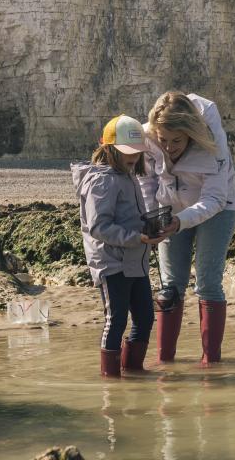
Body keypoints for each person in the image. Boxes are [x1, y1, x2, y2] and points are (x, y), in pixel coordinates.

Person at [139, 92, 235, 365]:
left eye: (177, 141)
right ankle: (164, 361)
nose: (169, 148)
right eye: (163, 140)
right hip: (171, 207)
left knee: (207, 283)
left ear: (191, 135)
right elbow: (146, 181)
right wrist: (153, 217)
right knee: (170, 286)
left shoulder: (212, 140)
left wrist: (181, 222)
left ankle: (211, 363)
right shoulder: (147, 137)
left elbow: (215, 199)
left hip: (218, 208)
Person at [71, 115, 165, 377]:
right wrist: (137, 237)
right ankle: (110, 379)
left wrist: (149, 228)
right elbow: (99, 227)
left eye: (137, 152)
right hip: (112, 263)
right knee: (117, 321)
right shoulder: (101, 180)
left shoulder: (126, 175)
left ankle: (134, 372)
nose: (133, 157)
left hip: (136, 259)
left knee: (145, 318)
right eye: (127, 152)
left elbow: (130, 215)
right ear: (108, 148)